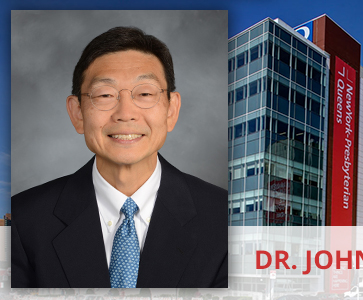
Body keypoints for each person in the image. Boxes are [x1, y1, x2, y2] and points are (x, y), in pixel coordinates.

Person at [11, 26, 227, 288]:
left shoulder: (225, 220)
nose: (126, 113)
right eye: (105, 95)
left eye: (145, 94)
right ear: (77, 112)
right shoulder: (23, 220)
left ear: (171, 110)